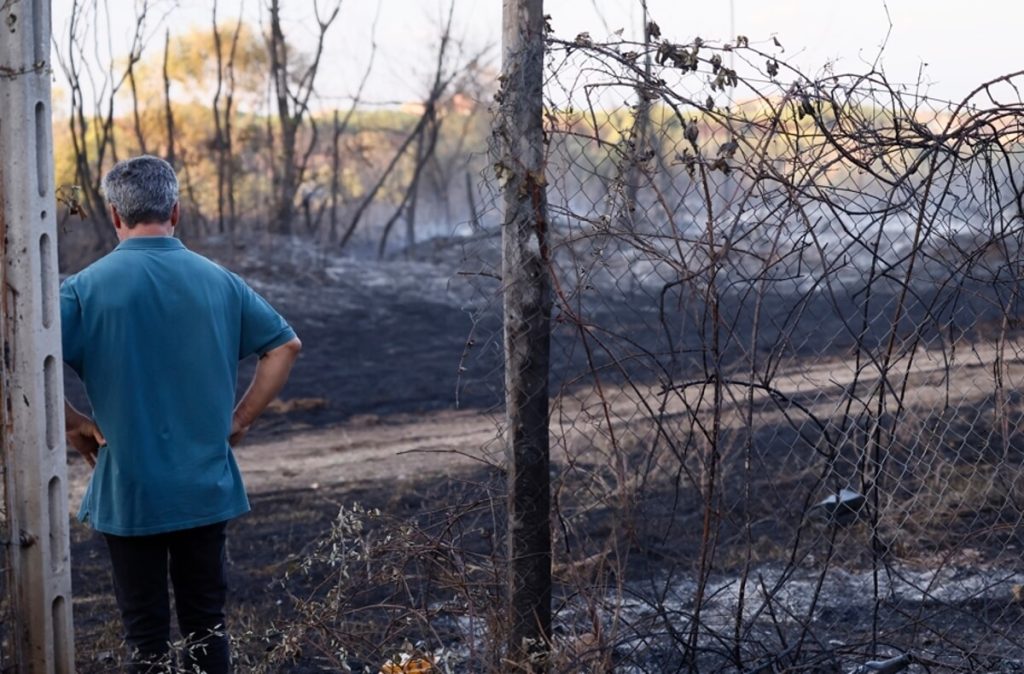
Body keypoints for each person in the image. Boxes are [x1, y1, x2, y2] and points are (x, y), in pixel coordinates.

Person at [61, 155, 302, 673]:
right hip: (202, 485)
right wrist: (239, 421)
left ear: (113, 215)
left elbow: (15, 357)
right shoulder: (221, 282)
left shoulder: (83, 289)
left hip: (130, 490)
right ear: (176, 210)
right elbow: (284, 347)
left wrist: (74, 422)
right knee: (206, 627)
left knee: (145, 638)